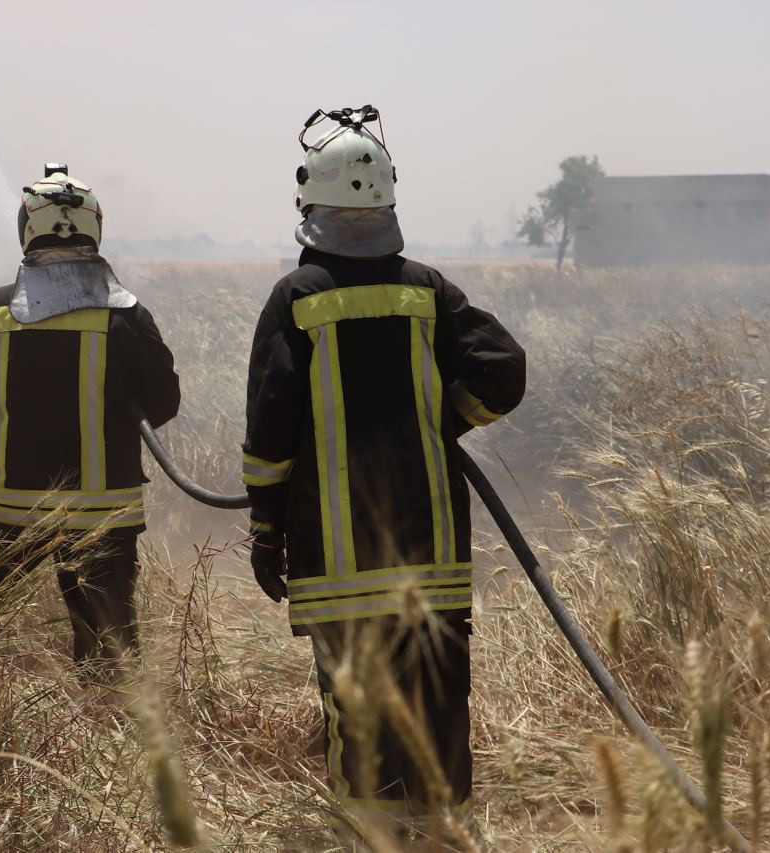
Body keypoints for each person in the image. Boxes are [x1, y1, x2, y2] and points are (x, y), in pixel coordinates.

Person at [241, 108, 527, 827]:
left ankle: (372, 839)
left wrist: (266, 529)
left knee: (360, 723)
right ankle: (439, 838)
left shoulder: (296, 297)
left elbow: (271, 433)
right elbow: (503, 370)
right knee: (438, 714)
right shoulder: (427, 290)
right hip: (431, 562)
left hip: (340, 565)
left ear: (312, 198)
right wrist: (446, 418)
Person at [0, 165, 179, 673]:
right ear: (95, 228)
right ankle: (109, 738)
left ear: (27, 229)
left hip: (3, 506)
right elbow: (163, 405)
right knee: (109, 655)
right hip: (101, 513)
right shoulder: (127, 315)